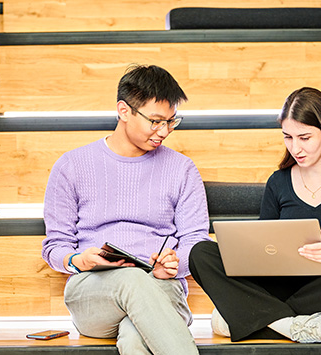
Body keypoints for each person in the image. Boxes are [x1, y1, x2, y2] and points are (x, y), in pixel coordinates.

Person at [189, 87, 321, 344]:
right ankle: (299, 326)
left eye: (305, 138)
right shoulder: (279, 181)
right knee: (201, 253)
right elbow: (265, 243)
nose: (296, 147)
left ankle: (252, 319)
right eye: (288, 137)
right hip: (289, 288)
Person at [42, 64, 210, 355]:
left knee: (134, 339)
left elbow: (196, 242)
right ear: (124, 111)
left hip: (161, 288)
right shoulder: (72, 166)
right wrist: (79, 260)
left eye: (171, 122)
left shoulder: (181, 169)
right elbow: (55, 247)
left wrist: (172, 265)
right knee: (132, 279)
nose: (164, 132)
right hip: (93, 293)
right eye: (155, 121)